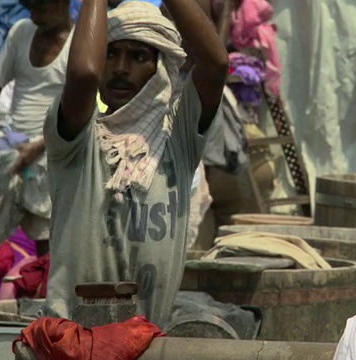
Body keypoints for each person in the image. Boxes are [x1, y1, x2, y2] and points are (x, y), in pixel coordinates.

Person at [41, 0, 228, 328]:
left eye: (138, 56)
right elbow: (84, 73)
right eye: (110, 53)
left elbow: (215, 65)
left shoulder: (177, 142)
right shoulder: (79, 140)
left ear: (160, 68)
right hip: (72, 342)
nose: (120, 67)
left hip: (147, 341)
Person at [0, 0, 74, 319]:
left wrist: (40, 146)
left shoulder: (79, 46)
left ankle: (52, 327)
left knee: (48, 258)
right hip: (13, 159)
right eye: (31, 9)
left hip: (51, 161)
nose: (35, 17)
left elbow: (86, 110)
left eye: (42, 9)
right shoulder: (21, 33)